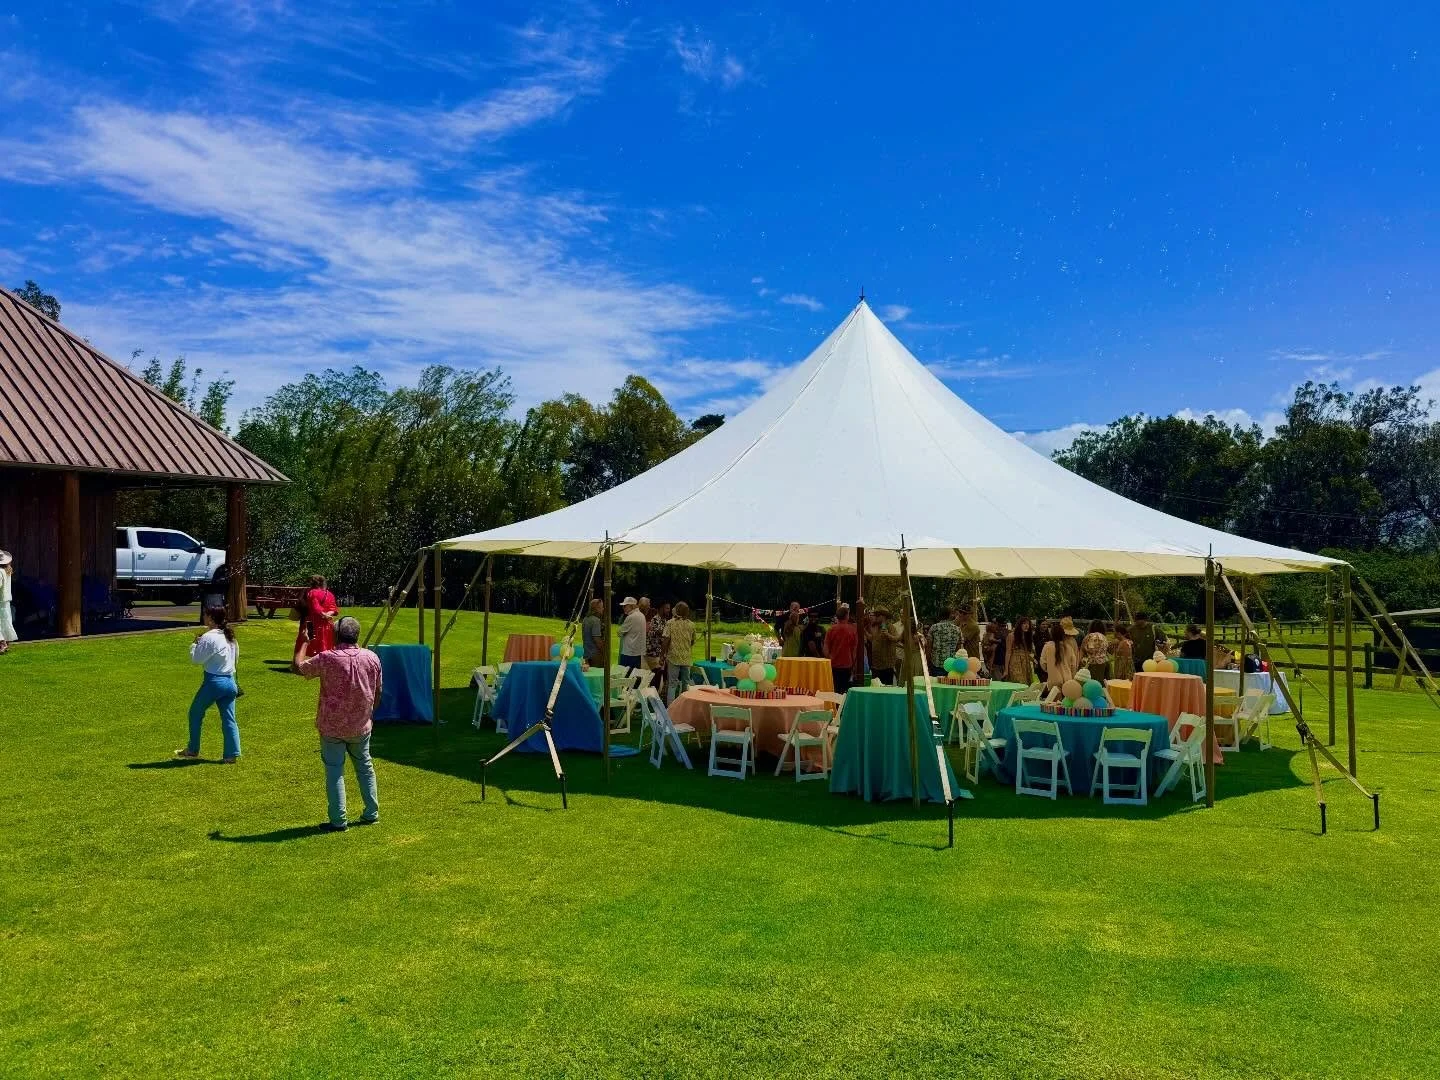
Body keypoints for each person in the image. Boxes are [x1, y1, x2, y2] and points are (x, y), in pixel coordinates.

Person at [295, 615, 381, 832]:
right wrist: (370, 713)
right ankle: (371, 812)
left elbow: (299, 667)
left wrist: (304, 641)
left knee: (335, 771)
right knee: (365, 767)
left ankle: (338, 820)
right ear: (357, 635)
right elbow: (378, 690)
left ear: (335, 634)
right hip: (361, 724)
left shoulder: (327, 658)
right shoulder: (372, 658)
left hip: (332, 726)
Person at [177, 604, 240, 763]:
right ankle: (231, 755)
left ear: (211, 618)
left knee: (195, 713)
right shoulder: (230, 637)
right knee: (229, 719)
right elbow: (234, 660)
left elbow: (196, 659)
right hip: (230, 681)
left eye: (205, 615)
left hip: (214, 682)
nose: (203, 617)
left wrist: (194, 644)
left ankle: (192, 749)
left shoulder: (209, 636)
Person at [295, 574, 339, 656]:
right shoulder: (329, 593)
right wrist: (327, 615)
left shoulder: (312, 592)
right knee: (326, 642)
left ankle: (309, 663)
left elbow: (315, 607)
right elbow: (334, 608)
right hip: (326, 623)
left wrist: (323, 614)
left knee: (310, 643)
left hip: (312, 622)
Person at [663, 601, 696, 703]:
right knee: (685, 683)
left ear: (676, 610)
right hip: (686, 658)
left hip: (673, 657)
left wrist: (662, 655)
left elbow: (666, 640)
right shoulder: (691, 625)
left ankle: (671, 707)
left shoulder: (670, 623)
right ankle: (683, 705)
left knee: (672, 684)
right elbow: (692, 641)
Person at [824, 602, 859, 693]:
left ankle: (834, 706)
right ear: (847, 616)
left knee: (834, 689)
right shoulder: (852, 630)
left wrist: (829, 659)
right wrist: (854, 665)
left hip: (833, 664)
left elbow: (826, 647)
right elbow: (854, 650)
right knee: (844, 690)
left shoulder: (831, 630)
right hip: (847, 664)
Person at [1039, 619, 1079, 692]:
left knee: (1055, 703)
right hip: (1068, 680)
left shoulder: (1047, 646)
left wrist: (1050, 669)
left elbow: (1043, 663)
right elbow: (1073, 665)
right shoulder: (1068, 647)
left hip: (1053, 681)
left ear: (1052, 634)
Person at [868, 610, 901, 684]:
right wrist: (864, 632)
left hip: (887, 665)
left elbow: (897, 639)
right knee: (875, 685)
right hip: (876, 664)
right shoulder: (876, 627)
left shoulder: (890, 626)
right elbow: (873, 639)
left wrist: (887, 635)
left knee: (886, 687)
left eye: (877, 615)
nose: (875, 617)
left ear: (883, 616)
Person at [645, 599, 670, 697]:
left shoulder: (664, 620)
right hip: (653, 652)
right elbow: (660, 633)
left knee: (660, 675)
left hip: (660, 652)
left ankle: (657, 695)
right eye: (667, 608)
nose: (668, 610)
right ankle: (652, 696)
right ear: (661, 608)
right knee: (655, 676)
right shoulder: (655, 619)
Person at [1003, 616, 1036, 684]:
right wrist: (1006, 670)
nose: (1026, 625)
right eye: (1024, 623)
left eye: (1028, 624)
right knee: (1018, 682)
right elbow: (1008, 652)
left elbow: (1027, 652)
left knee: (1027, 683)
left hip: (1025, 662)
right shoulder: (1012, 636)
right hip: (1015, 662)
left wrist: (1033, 660)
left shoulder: (1027, 636)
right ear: (1019, 625)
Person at [618, 596, 646, 671]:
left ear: (632, 606)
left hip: (629, 652)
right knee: (635, 675)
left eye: (625, 606)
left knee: (624, 675)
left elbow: (619, 632)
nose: (623, 608)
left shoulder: (631, 617)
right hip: (637, 652)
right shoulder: (641, 615)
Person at [581, 598, 606, 667]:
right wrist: (604, 651)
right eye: (601, 607)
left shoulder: (585, 619)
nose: (603, 609)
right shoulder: (596, 620)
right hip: (595, 655)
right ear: (596, 608)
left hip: (586, 653)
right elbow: (596, 639)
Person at [0, 550, 16, 653]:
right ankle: (5, 642)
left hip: (1, 600)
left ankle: (2, 643)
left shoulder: (0, 572)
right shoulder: (8, 570)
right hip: (6, 601)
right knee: (6, 622)